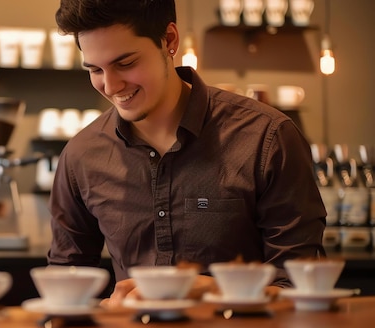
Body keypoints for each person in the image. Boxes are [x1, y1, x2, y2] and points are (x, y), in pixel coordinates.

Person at [47, 0, 327, 307]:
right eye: (95, 69)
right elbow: (66, 283)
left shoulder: (267, 138)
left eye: (125, 64)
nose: (111, 86)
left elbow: (303, 287)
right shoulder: (81, 155)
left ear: (169, 41)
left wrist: (209, 289)